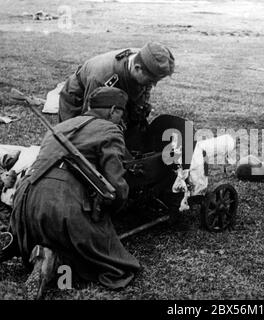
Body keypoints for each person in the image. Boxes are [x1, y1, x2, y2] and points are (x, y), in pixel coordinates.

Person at [4, 87, 140, 299]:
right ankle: (54, 259)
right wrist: (117, 205)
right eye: (120, 113)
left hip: (24, 200)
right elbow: (115, 184)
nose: (121, 118)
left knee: (38, 230)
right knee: (109, 259)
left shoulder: (61, 126)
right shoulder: (110, 130)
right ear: (114, 110)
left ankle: (20, 242)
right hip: (60, 204)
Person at [58, 42, 175, 133]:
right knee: (76, 136)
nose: (153, 85)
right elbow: (90, 119)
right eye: (150, 81)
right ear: (137, 68)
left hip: (122, 84)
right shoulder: (102, 78)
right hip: (78, 94)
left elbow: (140, 100)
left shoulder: (145, 58)